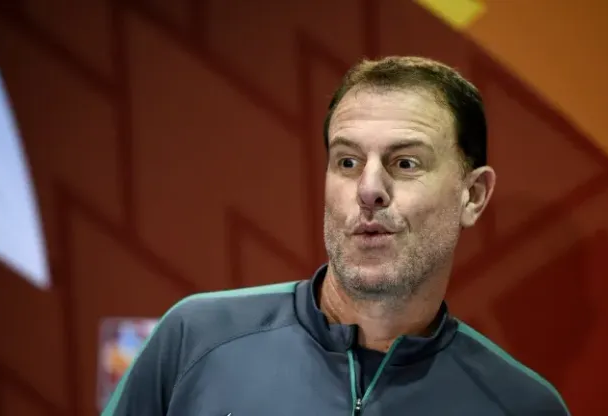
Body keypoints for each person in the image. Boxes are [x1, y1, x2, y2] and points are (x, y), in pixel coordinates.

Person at [102, 56, 570, 415]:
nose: (368, 190)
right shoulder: (196, 339)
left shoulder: (522, 406)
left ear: (473, 195)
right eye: (347, 161)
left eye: (405, 163)